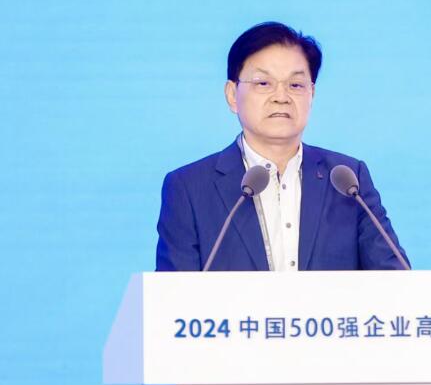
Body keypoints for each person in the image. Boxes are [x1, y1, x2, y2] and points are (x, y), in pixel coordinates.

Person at [156, 21, 409, 271]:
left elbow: (396, 278)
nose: (281, 97)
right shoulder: (188, 188)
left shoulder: (347, 180)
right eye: (263, 83)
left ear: (312, 95)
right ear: (232, 95)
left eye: (295, 85)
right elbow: (171, 293)